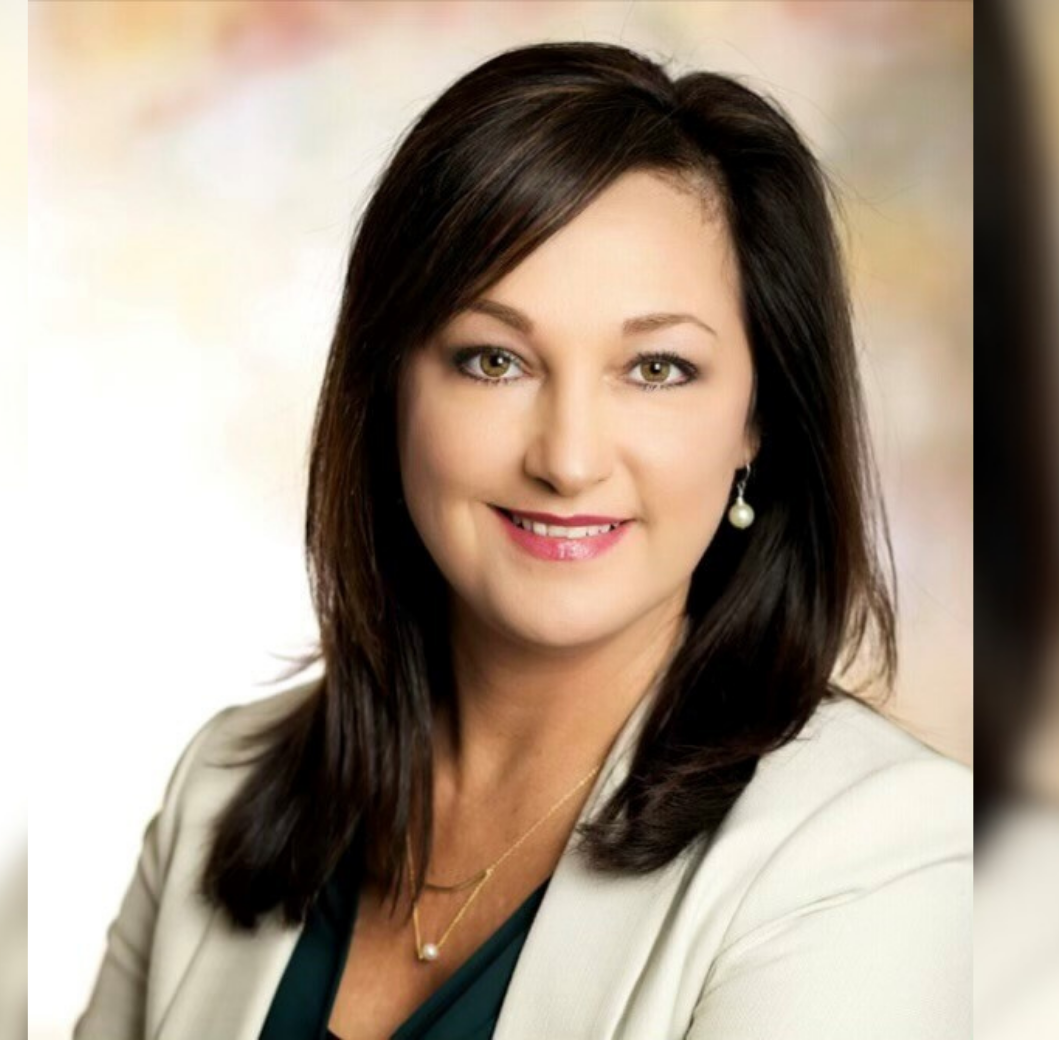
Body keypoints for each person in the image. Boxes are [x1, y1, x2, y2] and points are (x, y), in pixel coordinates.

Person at [74, 41, 970, 1040]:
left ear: (758, 422)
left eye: (658, 368)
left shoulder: (869, 848)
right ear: (392, 388)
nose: (568, 457)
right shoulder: (224, 782)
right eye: (493, 358)